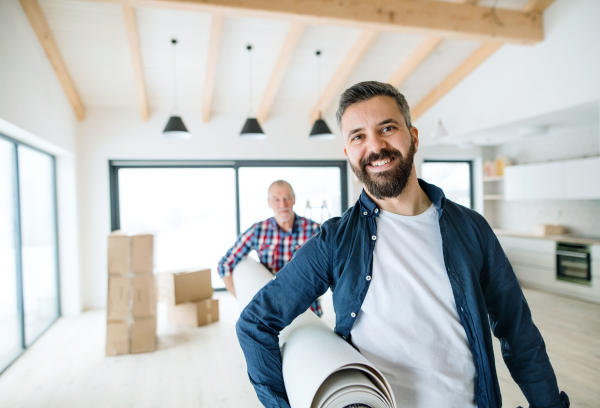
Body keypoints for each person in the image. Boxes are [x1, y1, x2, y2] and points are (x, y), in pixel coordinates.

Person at [236, 82, 569, 408]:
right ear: (348, 153)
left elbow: (519, 333)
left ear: (414, 136)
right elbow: (255, 323)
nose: (376, 146)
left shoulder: (472, 228)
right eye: (358, 136)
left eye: (387, 128)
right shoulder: (334, 241)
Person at [217, 180, 323, 316]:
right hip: (272, 309)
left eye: (287, 198)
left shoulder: (315, 230)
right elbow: (225, 265)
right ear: (269, 203)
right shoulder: (257, 231)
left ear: (294, 199)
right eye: (276, 200)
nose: (283, 205)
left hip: (308, 308)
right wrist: (243, 301)